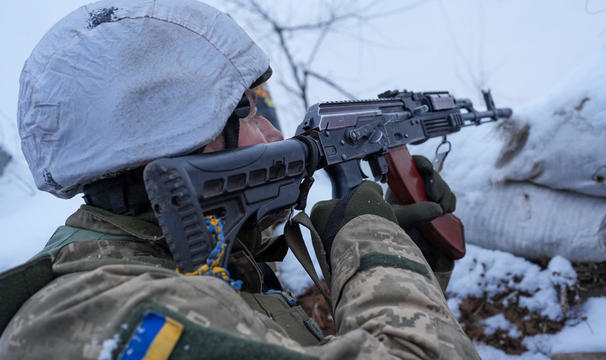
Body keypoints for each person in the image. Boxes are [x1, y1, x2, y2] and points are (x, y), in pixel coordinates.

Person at [0, 0, 480, 359]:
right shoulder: (109, 314)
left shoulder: (185, 260)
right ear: (172, 136)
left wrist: (408, 257)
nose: (275, 133)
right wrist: (373, 242)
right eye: (247, 111)